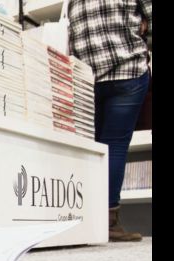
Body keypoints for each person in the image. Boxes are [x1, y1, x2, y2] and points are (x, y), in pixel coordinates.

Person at [68, 0, 152, 242]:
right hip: (127, 71)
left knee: (91, 147)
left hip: (86, 77)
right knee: (114, 145)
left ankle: (87, 219)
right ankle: (108, 221)